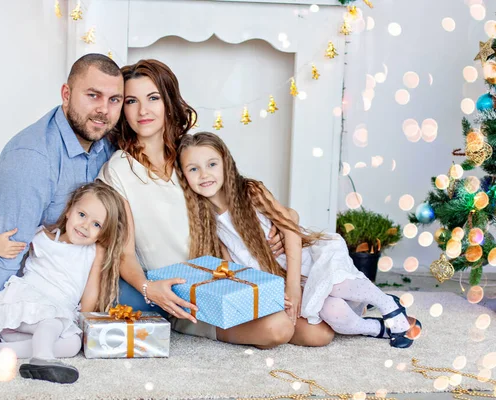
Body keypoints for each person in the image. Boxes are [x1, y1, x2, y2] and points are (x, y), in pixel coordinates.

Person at [98, 59, 332, 348]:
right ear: (122, 108)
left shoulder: (189, 156)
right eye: (132, 101)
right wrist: (149, 289)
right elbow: (124, 253)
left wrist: (282, 226)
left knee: (319, 333)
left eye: (153, 98)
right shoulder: (119, 169)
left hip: (227, 278)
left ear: (168, 102)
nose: (143, 110)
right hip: (185, 296)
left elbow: (240, 198)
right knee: (279, 329)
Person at [0, 53, 124, 347]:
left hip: (85, 277)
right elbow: (10, 247)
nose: (104, 110)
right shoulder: (30, 160)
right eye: (93, 95)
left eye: (115, 100)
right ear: (66, 94)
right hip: (40, 287)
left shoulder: (106, 140)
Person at [176, 132, 423, 349]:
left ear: (225, 164)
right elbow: (233, 269)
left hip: (301, 265)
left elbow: (290, 229)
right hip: (275, 281)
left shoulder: (249, 192)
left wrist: (293, 286)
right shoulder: (207, 220)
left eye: (211, 164)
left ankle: (387, 304)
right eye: (193, 169)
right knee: (328, 317)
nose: (204, 174)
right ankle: (375, 328)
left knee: (333, 282)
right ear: (184, 175)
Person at [0, 182, 128, 384]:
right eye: (81, 215)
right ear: (69, 211)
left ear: (104, 232)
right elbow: (4, 237)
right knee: (51, 323)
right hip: (22, 307)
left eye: (96, 224)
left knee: (73, 344)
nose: (85, 226)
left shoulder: (93, 251)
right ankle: (43, 358)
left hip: (28, 329)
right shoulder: (42, 236)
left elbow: (91, 290)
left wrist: (82, 319)